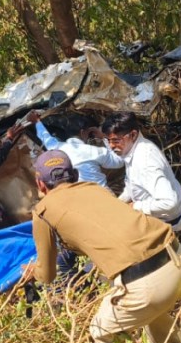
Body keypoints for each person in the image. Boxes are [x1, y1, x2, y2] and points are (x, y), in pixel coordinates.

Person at [26, 149, 181, 343]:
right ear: (75, 174)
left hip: (146, 284)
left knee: (102, 330)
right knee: (151, 312)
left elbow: (47, 275)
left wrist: (31, 272)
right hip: (179, 259)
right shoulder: (94, 187)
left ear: (39, 183)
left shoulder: (43, 212)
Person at [25, 110, 124, 285]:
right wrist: (104, 139)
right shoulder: (92, 150)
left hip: (77, 210)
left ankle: (79, 283)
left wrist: (37, 122)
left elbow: (46, 138)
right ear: (83, 133)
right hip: (105, 202)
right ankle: (97, 279)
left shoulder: (58, 149)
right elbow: (118, 162)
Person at [101, 111, 181, 248]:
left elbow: (169, 202)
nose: (112, 146)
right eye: (108, 141)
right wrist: (119, 203)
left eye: (115, 140)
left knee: (180, 260)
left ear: (132, 135)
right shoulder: (131, 149)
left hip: (173, 223)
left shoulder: (146, 161)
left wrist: (136, 206)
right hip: (165, 219)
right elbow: (132, 184)